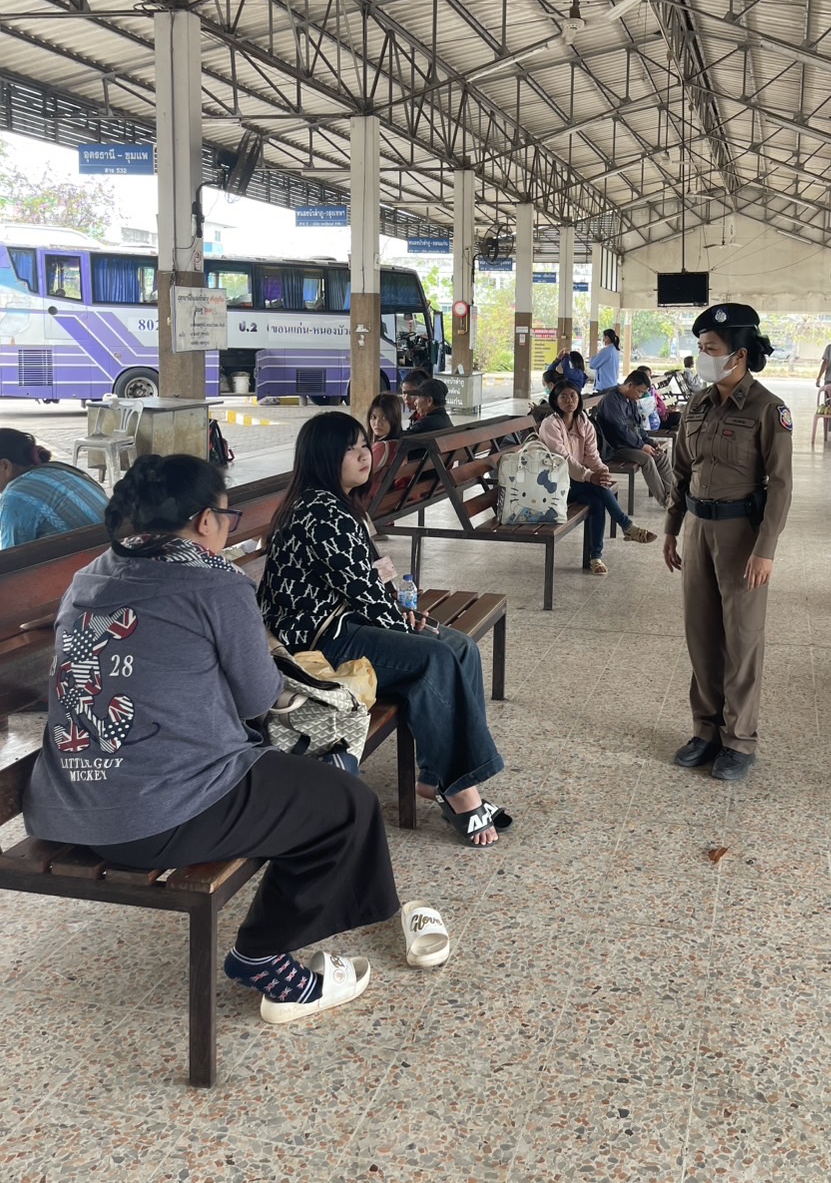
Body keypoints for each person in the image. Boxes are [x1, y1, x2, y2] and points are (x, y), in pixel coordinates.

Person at [22, 452, 397, 1022]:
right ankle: (263, 957)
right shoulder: (216, 582)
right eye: (228, 517)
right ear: (204, 520)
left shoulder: (90, 576)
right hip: (155, 812)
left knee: (300, 783)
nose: (227, 528)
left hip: (65, 802)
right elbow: (257, 698)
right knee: (349, 805)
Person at [258, 412, 510, 846]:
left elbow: (370, 580)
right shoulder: (320, 512)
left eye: (364, 446)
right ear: (323, 457)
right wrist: (402, 624)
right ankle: (462, 792)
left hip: (345, 622)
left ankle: (435, 777)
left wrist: (403, 613)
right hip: (317, 642)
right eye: (351, 449)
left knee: (460, 646)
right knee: (434, 657)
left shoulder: (339, 504)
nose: (365, 455)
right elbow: (361, 589)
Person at [663, 303, 793, 784]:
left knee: (741, 638)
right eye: (701, 347)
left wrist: (766, 548)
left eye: (711, 348)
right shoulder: (697, 405)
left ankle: (739, 740)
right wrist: (672, 527)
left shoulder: (768, 409)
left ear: (738, 355)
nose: (703, 356)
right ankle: (706, 730)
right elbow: (681, 470)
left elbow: (781, 485)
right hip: (698, 527)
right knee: (701, 635)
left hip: (742, 535)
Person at [538, 379, 656, 575]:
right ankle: (625, 525)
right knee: (598, 487)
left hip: (574, 482)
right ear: (555, 400)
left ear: (578, 398)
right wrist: (589, 476)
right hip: (552, 484)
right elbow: (563, 460)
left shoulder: (583, 422)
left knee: (597, 499)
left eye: (573, 396)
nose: (569, 400)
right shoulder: (550, 425)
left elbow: (591, 455)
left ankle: (596, 558)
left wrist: (601, 471)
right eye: (563, 396)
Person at [0, 428, 108, 550]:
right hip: (113, 550)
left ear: (5, 466)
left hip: (92, 557)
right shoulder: (61, 470)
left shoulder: (14, 497)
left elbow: (13, 557)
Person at [595, 370, 675, 507]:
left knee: (660, 456)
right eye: (639, 391)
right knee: (647, 459)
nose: (640, 396)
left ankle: (673, 495)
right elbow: (621, 430)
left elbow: (637, 426)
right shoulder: (611, 400)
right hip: (614, 447)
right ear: (630, 385)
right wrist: (641, 446)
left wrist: (650, 441)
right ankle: (665, 501)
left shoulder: (630, 399)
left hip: (630, 444)